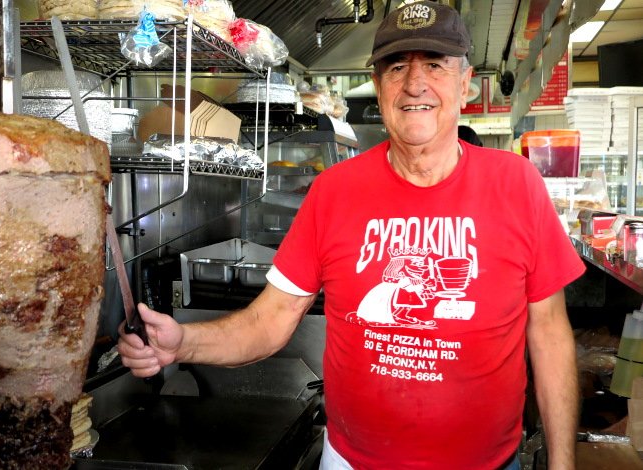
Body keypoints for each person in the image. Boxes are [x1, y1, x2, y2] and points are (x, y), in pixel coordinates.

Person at [118, 2, 585, 469]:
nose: (415, 84)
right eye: (397, 67)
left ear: (465, 83)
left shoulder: (518, 184)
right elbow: (271, 320)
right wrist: (183, 343)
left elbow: (549, 333)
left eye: (435, 65)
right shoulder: (334, 191)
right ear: (380, 87)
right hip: (352, 461)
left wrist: (563, 465)